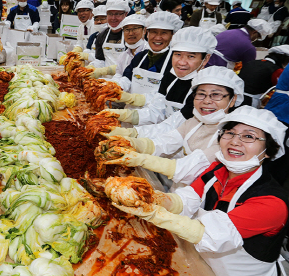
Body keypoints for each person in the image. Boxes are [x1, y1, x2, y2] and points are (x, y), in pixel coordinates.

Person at [111, 106, 289, 276]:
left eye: (249, 136)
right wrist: (149, 197)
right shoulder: (217, 170)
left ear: (267, 151)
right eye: (230, 133)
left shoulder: (272, 203)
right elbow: (186, 200)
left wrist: (152, 213)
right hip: (201, 262)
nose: (235, 141)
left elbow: (206, 233)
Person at [107, 67, 244, 166]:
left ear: (232, 99)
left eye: (216, 95)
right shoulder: (193, 123)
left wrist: (142, 159)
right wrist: (131, 140)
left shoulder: (233, 136)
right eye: (201, 94)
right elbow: (164, 142)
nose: (207, 101)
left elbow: (188, 167)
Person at [106, 26, 215, 126]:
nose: (182, 62)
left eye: (191, 56)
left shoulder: (206, 91)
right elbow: (156, 111)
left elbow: (174, 128)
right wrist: (125, 115)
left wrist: (136, 136)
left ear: (205, 59)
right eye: (177, 54)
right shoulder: (171, 77)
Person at [90, 14, 148, 83]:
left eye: (135, 29)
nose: (130, 33)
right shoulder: (124, 56)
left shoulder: (150, 53)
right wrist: (107, 84)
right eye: (127, 30)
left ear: (144, 31)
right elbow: (118, 76)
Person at [207, 19, 272, 69]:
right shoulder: (249, 47)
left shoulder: (227, 32)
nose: (256, 39)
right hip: (219, 68)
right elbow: (248, 68)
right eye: (257, 37)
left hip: (205, 62)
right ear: (254, 32)